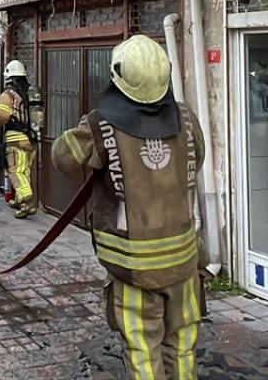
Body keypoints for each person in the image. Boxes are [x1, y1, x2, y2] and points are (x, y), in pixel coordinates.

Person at [52, 35, 205, 380]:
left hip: (133, 267)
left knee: (142, 347)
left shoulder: (99, 125)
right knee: (182, 344)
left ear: (117, 76)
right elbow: (197, 163)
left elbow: (62, 159)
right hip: (183, 260)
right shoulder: (187, 119)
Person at [0, 60, 38, 219]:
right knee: (24, 170)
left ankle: (29, 201)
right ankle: (21, 202)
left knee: (15, 171)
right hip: (32, 139)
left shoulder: (8, 94)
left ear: (9, 76)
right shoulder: (32, 92)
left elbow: (2, 116)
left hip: (15, 139)